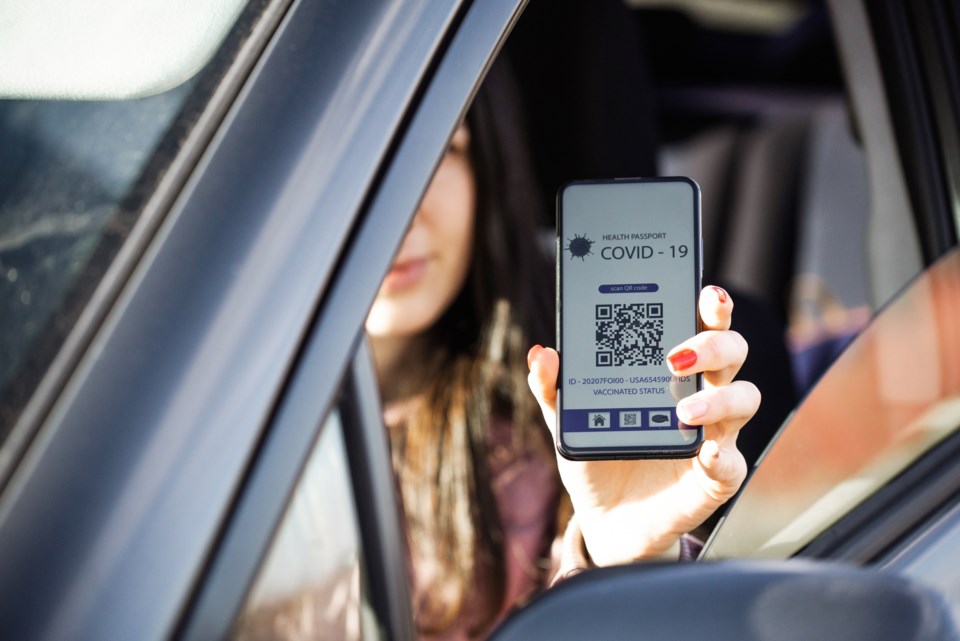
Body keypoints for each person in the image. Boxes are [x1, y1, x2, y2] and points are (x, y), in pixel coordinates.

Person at [364, 59, 759, 640]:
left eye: (438, 151)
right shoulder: (201, 405)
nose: (403, 209)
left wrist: (625, 566)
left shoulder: (541, 455)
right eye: (365, 161)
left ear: (485, 169)